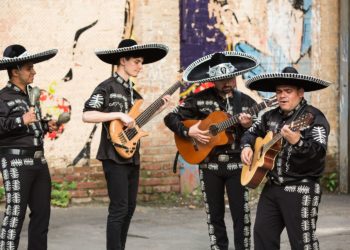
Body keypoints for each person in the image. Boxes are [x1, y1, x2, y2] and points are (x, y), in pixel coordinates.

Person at [164, 51, 259, 250]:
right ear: (212, 80)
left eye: (230, 78)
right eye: (221, 79)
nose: (227, 83)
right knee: (214, 217)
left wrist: (246, 125)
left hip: (237, 166)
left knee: (242, 217)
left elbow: (258, 133)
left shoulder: (247, 103)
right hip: (209, 165)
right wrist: (189, 131)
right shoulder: (198, 100)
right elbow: (171, 118)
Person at [82, 39, 170, 250]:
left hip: (132, 154)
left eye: (141, 62)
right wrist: (118, 114)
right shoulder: (106, 87)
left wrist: (160, 108)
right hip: (112, 156)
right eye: (137, 61)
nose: (140, 66)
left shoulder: (134, 93)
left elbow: (135, 124)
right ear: (123, 60)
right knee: (119, 208)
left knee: (129, 208)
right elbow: (87, 115)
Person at [240, 66, 331, 250]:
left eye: (288, 91)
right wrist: (247, 146)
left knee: (303, 243)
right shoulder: (269, 116)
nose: (282, 96)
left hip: (301, 187)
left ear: (300, 93)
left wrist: (298, 142)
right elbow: (250, 133)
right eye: (279, 91)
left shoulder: (313, 117)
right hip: (272, 188)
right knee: (262, 237)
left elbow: (319, 153)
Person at [0, 44, 59, 250]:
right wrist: (20, 120)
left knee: (42, 215)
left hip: (38, 162)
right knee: (15, 214)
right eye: (29, 68)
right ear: (15, 71)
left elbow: (31, 127)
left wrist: (45, 125)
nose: (34, 71)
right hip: (15, 162)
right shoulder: (2, 97)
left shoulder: (31, 96)